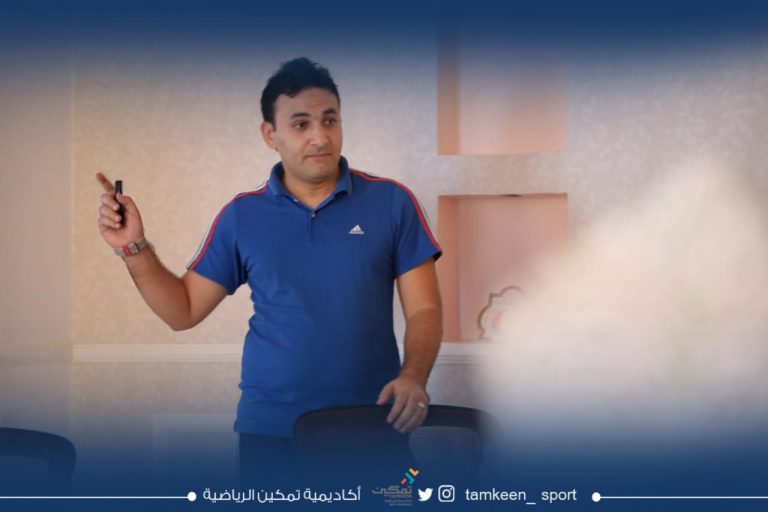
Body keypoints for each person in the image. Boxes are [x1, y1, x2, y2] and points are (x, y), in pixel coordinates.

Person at [96, 57, 443, 482]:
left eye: (329, 120)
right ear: (270, 134)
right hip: (273, 431)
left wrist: (413, 376)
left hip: (374, 422)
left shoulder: (392, 202)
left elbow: (425, 309)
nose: (320, 136)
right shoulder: (242, 216)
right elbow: (182, 311)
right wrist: (133, 248)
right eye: (300, 124)